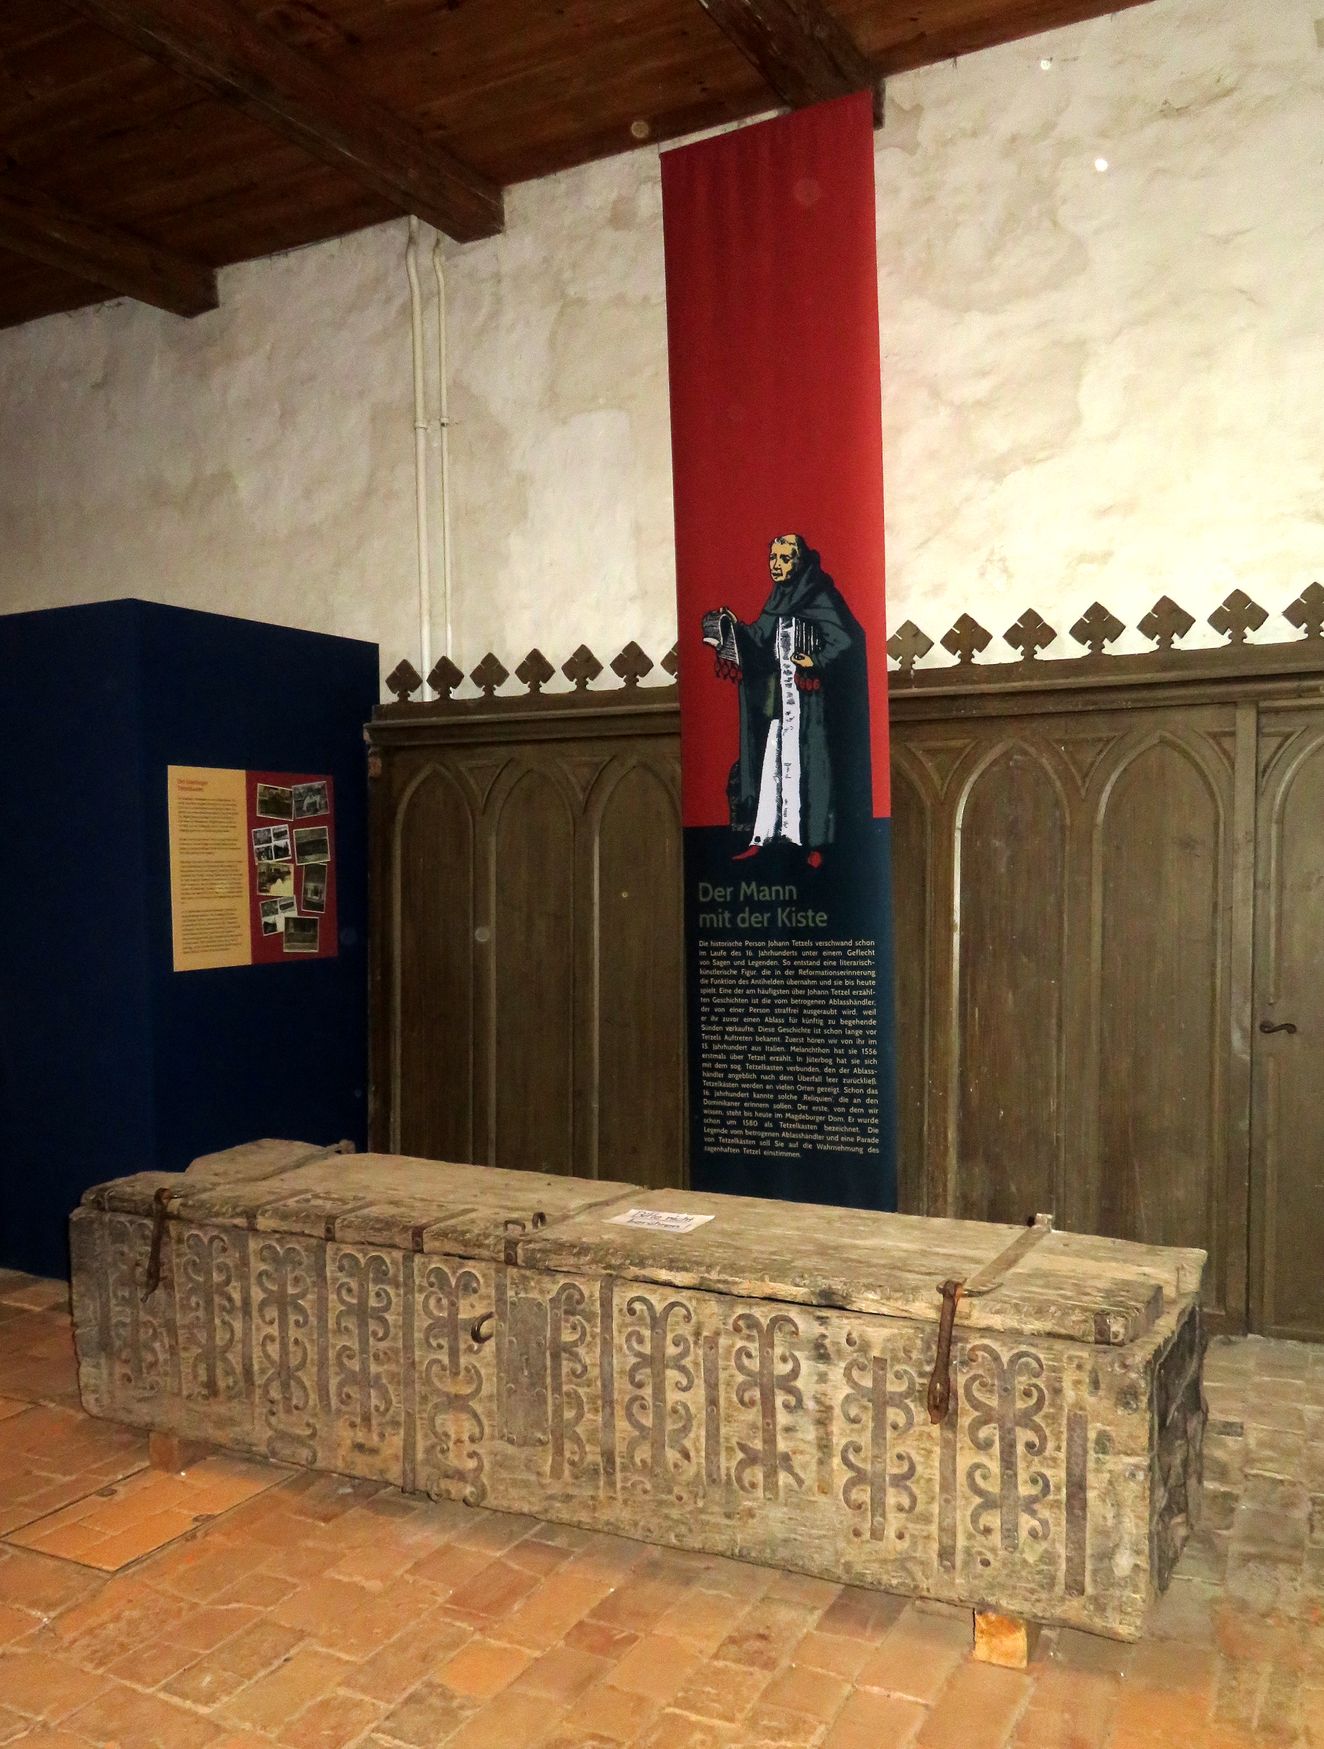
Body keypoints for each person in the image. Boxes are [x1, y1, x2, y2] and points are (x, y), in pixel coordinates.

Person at [703, 534, 871, 866]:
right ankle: (766, 837)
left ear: (800, 561)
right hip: (780, 698)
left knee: (809, 766)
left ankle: (814, 844)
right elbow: (760, 638)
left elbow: (846, 640)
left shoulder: (819, 594)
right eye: (773, 558)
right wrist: (733, 628)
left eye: (784, 559)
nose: (776, 565)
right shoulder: (779, 596)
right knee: (775, 763)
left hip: (810, 702)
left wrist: (815, 660)